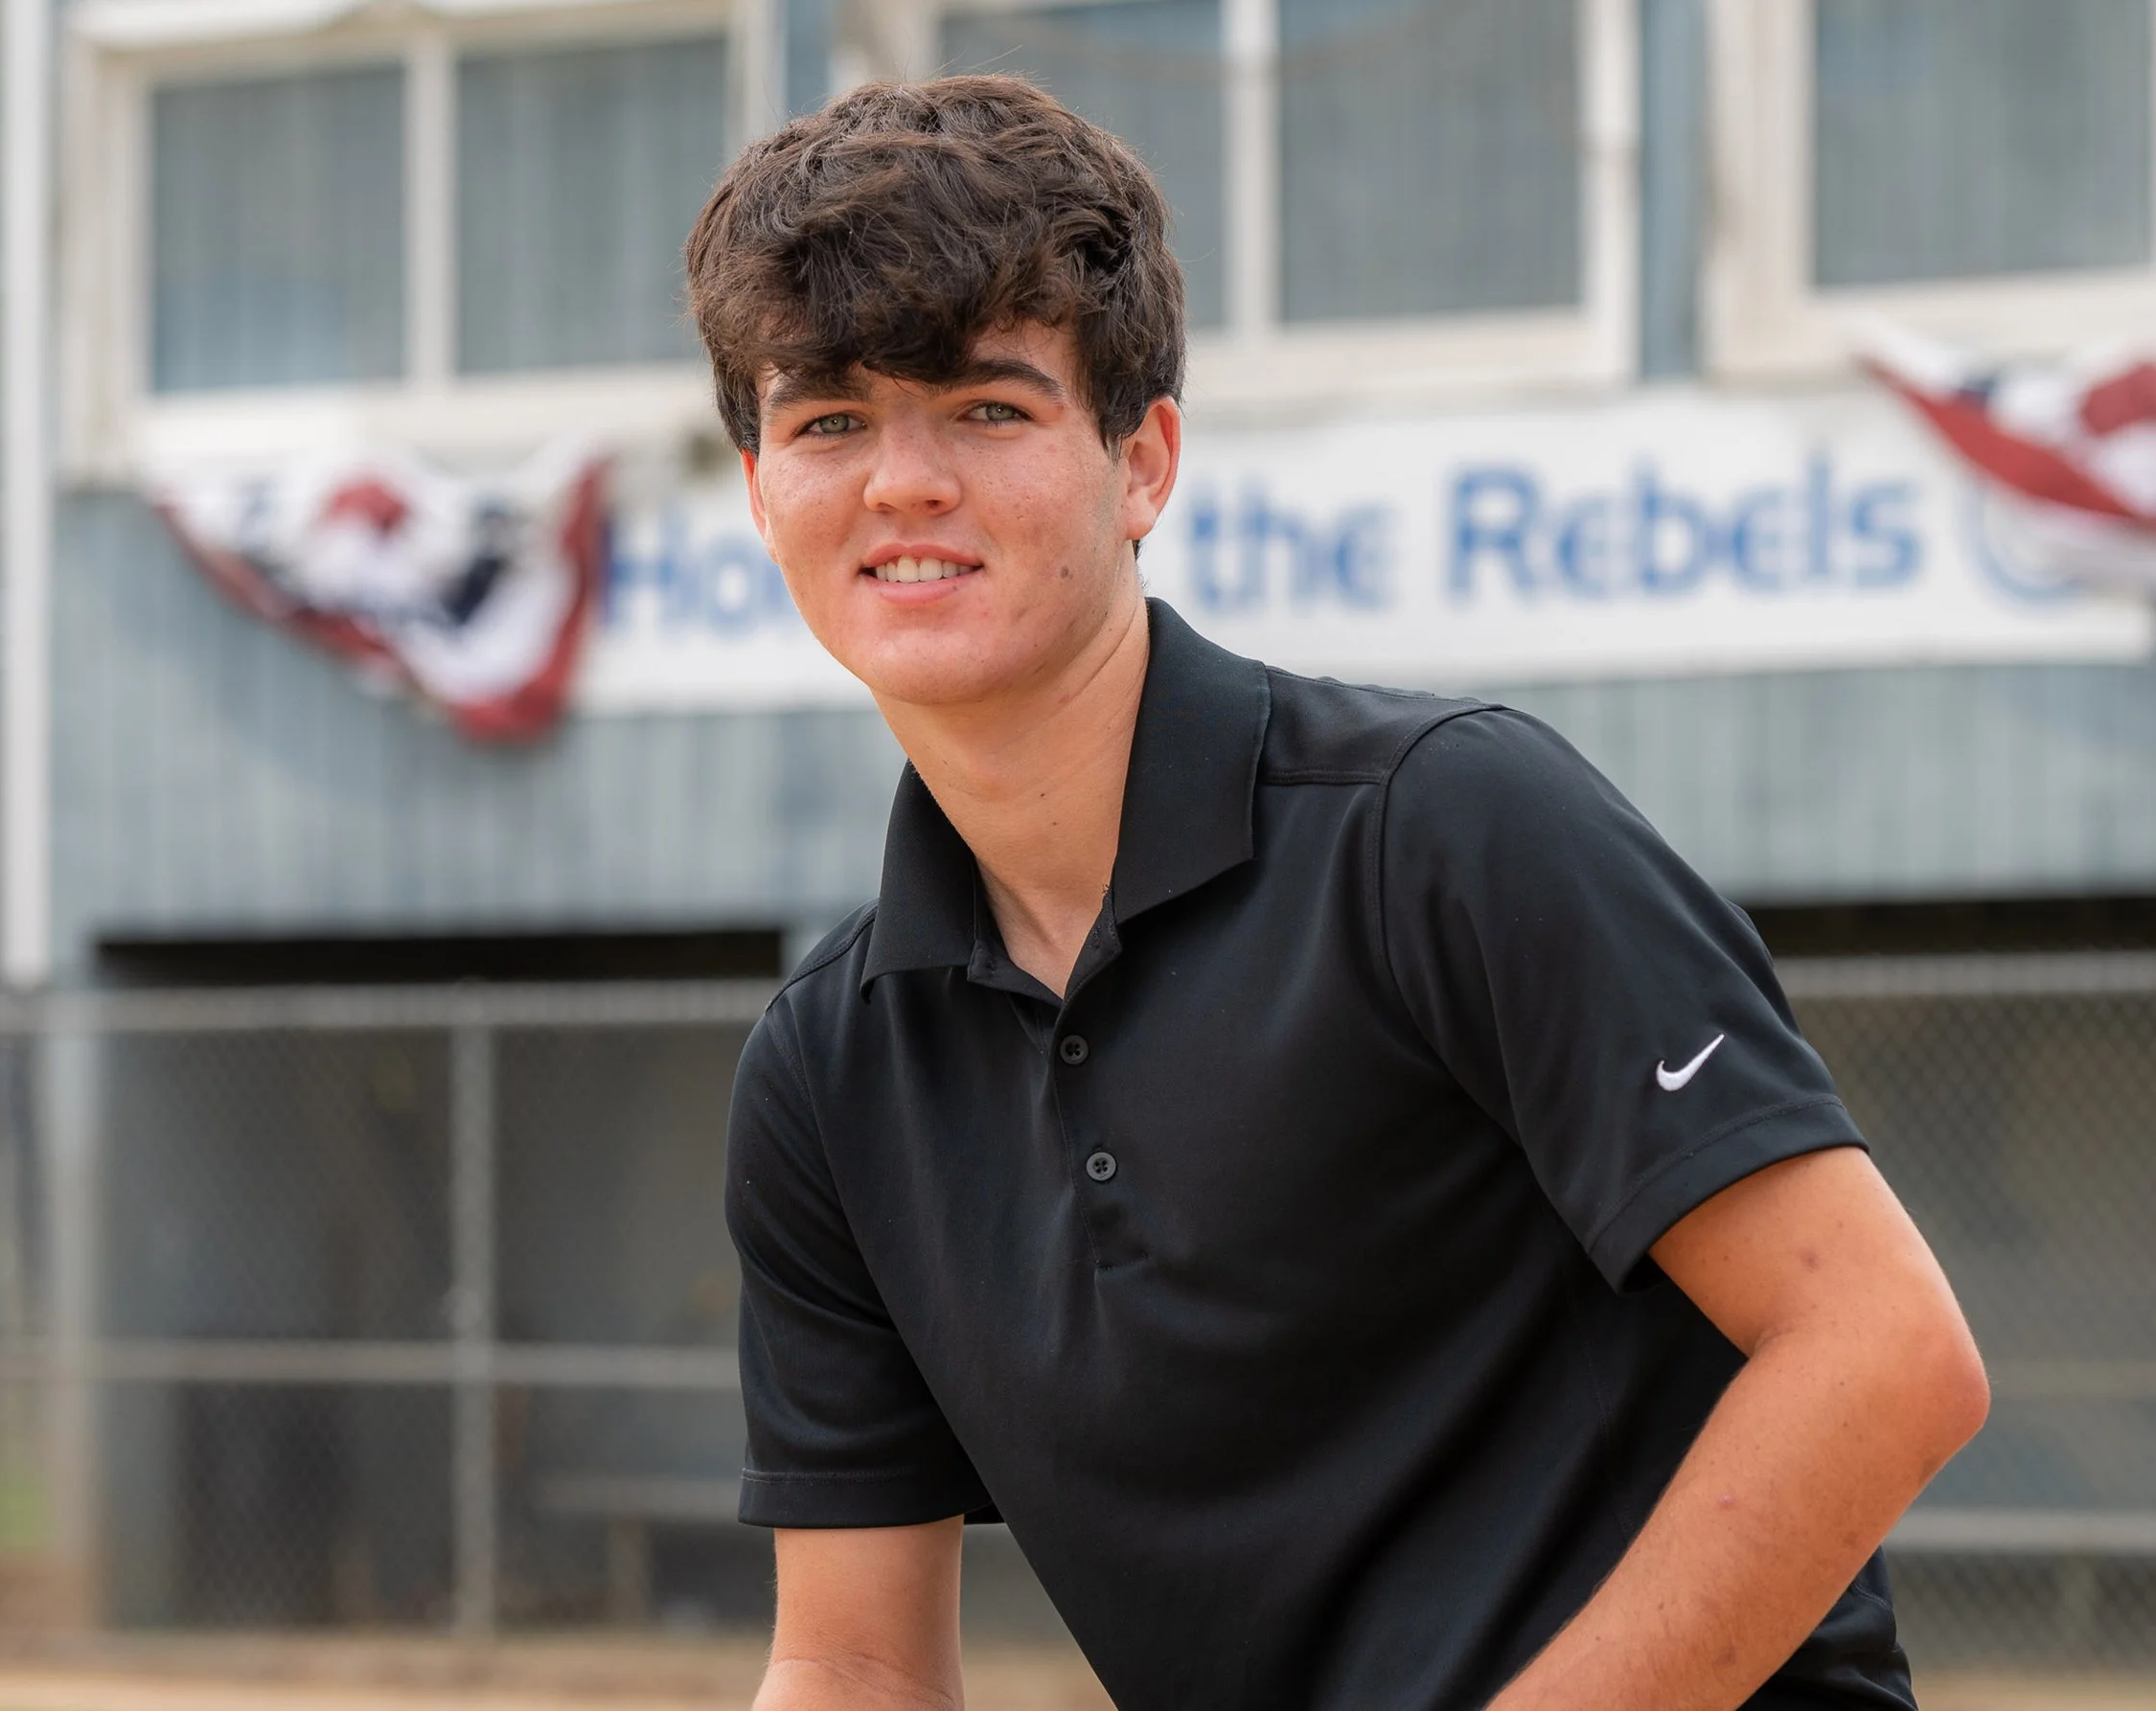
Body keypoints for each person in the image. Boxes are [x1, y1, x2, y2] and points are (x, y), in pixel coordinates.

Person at [689, 76, 1988, 1711]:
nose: (902, 482)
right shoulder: (828, 1071)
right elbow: (850, 1658)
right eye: (829, 423)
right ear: (759, 492)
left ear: (1142, 459)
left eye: (990, 409)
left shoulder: (1442, 827)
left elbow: (1883, 1354)